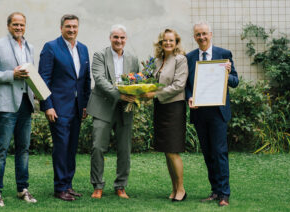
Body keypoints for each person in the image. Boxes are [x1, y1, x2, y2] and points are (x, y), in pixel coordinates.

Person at [0, 12, 37, 207]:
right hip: (6, 105)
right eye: (15, 24)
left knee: (23, 149)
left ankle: (23, 189)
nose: (19, 27)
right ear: (8, 25)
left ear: (25, 26)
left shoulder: (30, 47)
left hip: (26, 104)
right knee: (1, 149)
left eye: (22, 24)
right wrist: (11, 74)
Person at [185, 22, 239, 206]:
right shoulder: (190, 57)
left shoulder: (224, 55)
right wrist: (189, 97)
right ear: (194, 37)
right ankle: (215, 191)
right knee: (208, 153)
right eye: (198, 34)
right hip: (200, 112)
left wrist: (227, 73)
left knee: (220, 152)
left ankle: (225, 194)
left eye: (204, 34)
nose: (202, 37)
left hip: (218, 112)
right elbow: (186, 85)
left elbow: (235, 82)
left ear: (211, 34)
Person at [38, 14, 91, 201]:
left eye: (75, 26)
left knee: (71, 148)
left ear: (78, 28)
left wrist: (85, 105)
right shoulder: (51, 48)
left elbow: (85, 80)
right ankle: (60, 187)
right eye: (68, 26)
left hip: (76, 109)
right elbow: (43, 80)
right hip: (58, 109)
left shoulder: (83, 49)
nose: (71, 30)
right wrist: (48, 106)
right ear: (61, 28)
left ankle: (68, 185)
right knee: (61, 147)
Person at [86, 24, 139, 199]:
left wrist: (137, 95)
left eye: (122, 38)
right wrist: (119, 95)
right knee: (97, 148)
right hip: (103, 107)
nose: (119, 41)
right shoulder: (100, 55)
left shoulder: (132, 58)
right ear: (110, 38)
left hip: (125, 109)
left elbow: (137, 80)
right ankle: (98, 186)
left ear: (126, 39)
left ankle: (121, 186)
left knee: (124, 149)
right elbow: (99, 79)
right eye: (116, 37)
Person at [141, 29, 188, 202]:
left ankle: (181, 189)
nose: (168, 43)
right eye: (165, 41)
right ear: (160, 43)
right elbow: (149, 81)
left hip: (174, 108)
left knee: (173, 150)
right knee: (166, 151)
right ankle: (174, 187)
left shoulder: (180, 59)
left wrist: (154, 94)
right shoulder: (157, 60)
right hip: (160, 108)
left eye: (171, 40)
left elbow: (179, 85)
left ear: (176, 42)